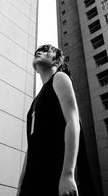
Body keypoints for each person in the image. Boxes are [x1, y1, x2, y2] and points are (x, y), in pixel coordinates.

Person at [17, 44, 80, 196]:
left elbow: (73, 122)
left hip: (55, 172)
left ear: (57, 61)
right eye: (37, 51)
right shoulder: (36, 101)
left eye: (45, 51)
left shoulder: (59, 78)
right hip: (33, 180)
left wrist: (68, 174)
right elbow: (31, 145)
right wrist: (20, 187)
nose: (39, 52)